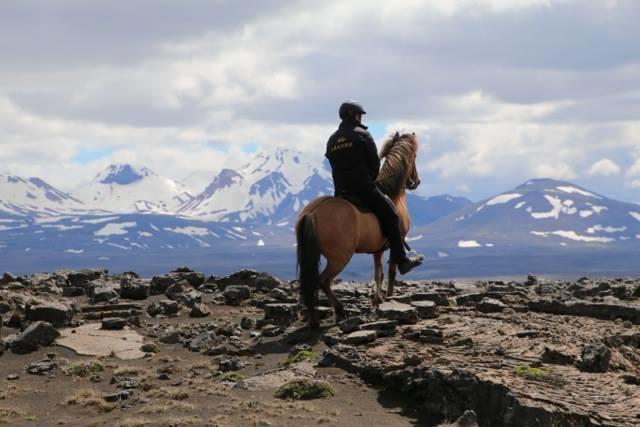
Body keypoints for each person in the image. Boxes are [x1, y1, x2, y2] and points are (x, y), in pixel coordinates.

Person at [325, 100, 424, 275]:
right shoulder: (363, 135)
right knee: (391, 215)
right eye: (360, 115)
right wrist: (371, 181)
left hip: (341, 192)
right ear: (356, 115)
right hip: (364, 188)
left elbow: (333, 166)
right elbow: (373, 164)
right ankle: (402, 261)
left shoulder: (332, 140)